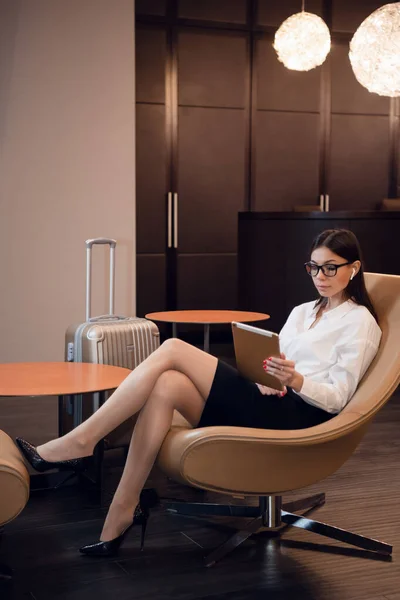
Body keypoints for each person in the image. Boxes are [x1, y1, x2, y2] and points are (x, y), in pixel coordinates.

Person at [16, 228, 381, 557]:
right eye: (314, 267)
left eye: (331, 268)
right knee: (167, 384)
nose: (320, 276)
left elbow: (339, 397)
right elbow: (276, 357)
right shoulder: (304, 311)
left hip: (299, 416)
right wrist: (264, 375)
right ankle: (123, 510)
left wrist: (297, 381)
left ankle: (82, 441)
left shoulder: (360, 323)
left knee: (173, 348)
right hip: (269, 399)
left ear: (355, 268)